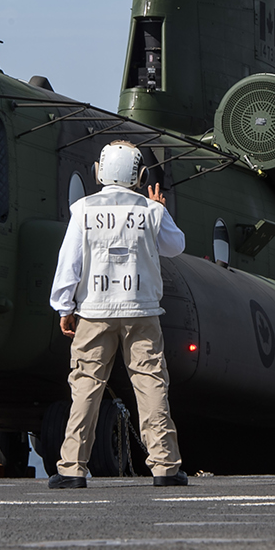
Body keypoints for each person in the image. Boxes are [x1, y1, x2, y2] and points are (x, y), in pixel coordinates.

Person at [48, 140, 187, 489]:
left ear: (98, 172)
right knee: (151, 384)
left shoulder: (82, 210)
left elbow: (69, 264)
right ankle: (165, 468)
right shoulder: (150, 212)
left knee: (85, 388)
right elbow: (176, 247)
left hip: (93, 311)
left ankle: (72, 469)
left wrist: (65, 307)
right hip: (142, 310)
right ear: (140, 176)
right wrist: (159, 210)